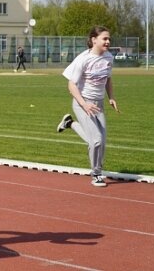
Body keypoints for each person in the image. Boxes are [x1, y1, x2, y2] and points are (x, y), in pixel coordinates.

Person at [56, 26, 118, 188]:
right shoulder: (83, 59)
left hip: (99, 104)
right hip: (82, 103)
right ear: (93, 40)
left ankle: (70, 123)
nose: (108, 41)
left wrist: (111, 97)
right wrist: (84, 104)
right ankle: (96, 174)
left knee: (101, 141)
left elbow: (108, 79)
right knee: (96, 140)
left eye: (109, 38)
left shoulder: (109, 58)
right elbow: (71, 85)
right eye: (104, 38)